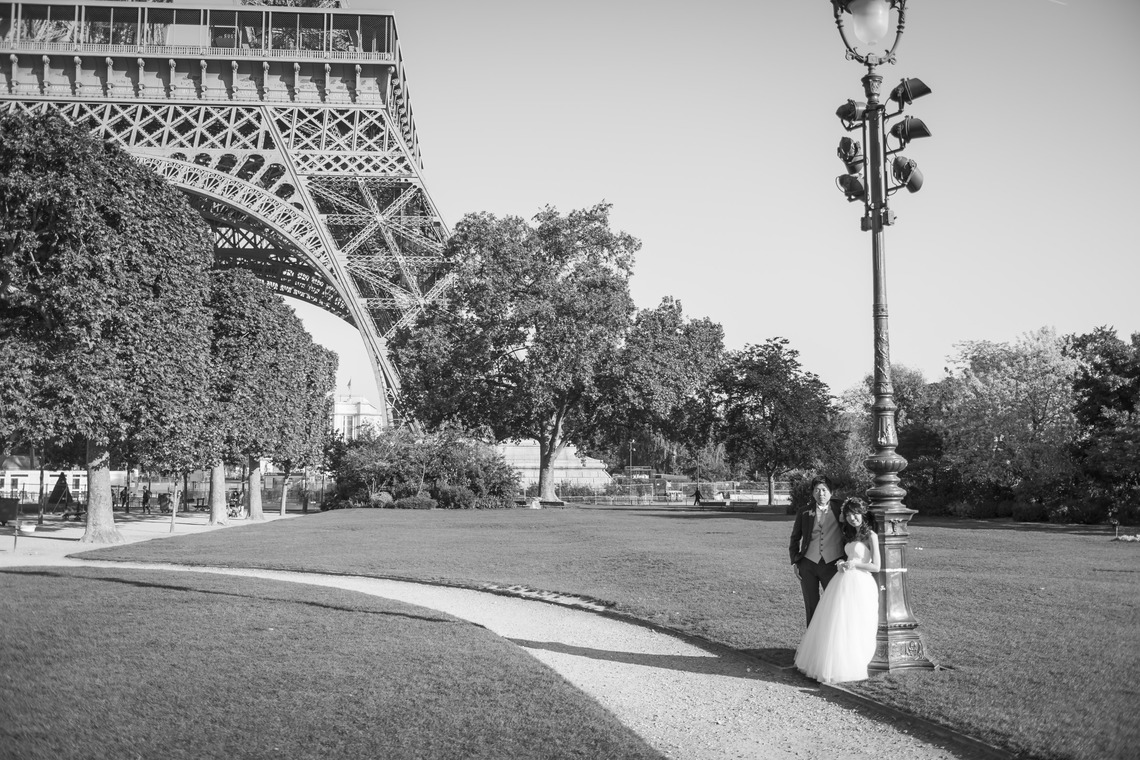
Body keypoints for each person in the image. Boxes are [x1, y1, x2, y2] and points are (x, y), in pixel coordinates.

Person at [793, 497, 881, 683]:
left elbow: (876, 566)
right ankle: (834, 660)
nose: (852, 518)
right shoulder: (849, 534)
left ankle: (853, 661)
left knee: (856, 622)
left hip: (861, 583)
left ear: (863, 513)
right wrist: (843, 563)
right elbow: (849, 554)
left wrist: (855, 564)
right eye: (848, 515)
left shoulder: (871, 535)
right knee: (838, 620)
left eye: (855, 514)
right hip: (843, 580)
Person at [788, 475, 845, 625]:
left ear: (831, 492)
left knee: (834, 603)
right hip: (808, 564)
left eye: (824, 490)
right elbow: (795, 537)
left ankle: (832, 636)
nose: (821, 494)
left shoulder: (840, 508)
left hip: (832, 564)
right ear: (813, 493)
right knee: (811, 604)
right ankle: (811, 638)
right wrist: (795, 561)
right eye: (817, 490)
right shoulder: (804, 511)